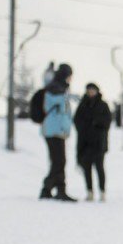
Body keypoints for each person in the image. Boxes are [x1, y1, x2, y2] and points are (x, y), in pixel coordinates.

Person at [39, 63, 77, 201]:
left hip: (57, 131)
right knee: (59, 161)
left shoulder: (60, 89)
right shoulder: (55, 89)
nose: (70, 79)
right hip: (53, 130)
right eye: (69, 76)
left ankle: (53, 189)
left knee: (58, 161)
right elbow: (60, 111)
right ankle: (50, 188)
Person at [73, 83, 112, 202]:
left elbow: (107, 121)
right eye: (88, 90)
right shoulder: (82, 105)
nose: (90, 92)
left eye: (92, 90)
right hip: (85, 143)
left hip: (98, 143)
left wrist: (96, 123)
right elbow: (76, 120)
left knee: (99, 168)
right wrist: (84, 128)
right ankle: (89, 192)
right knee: (87, 168)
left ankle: (102, 191)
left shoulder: (103, 105)